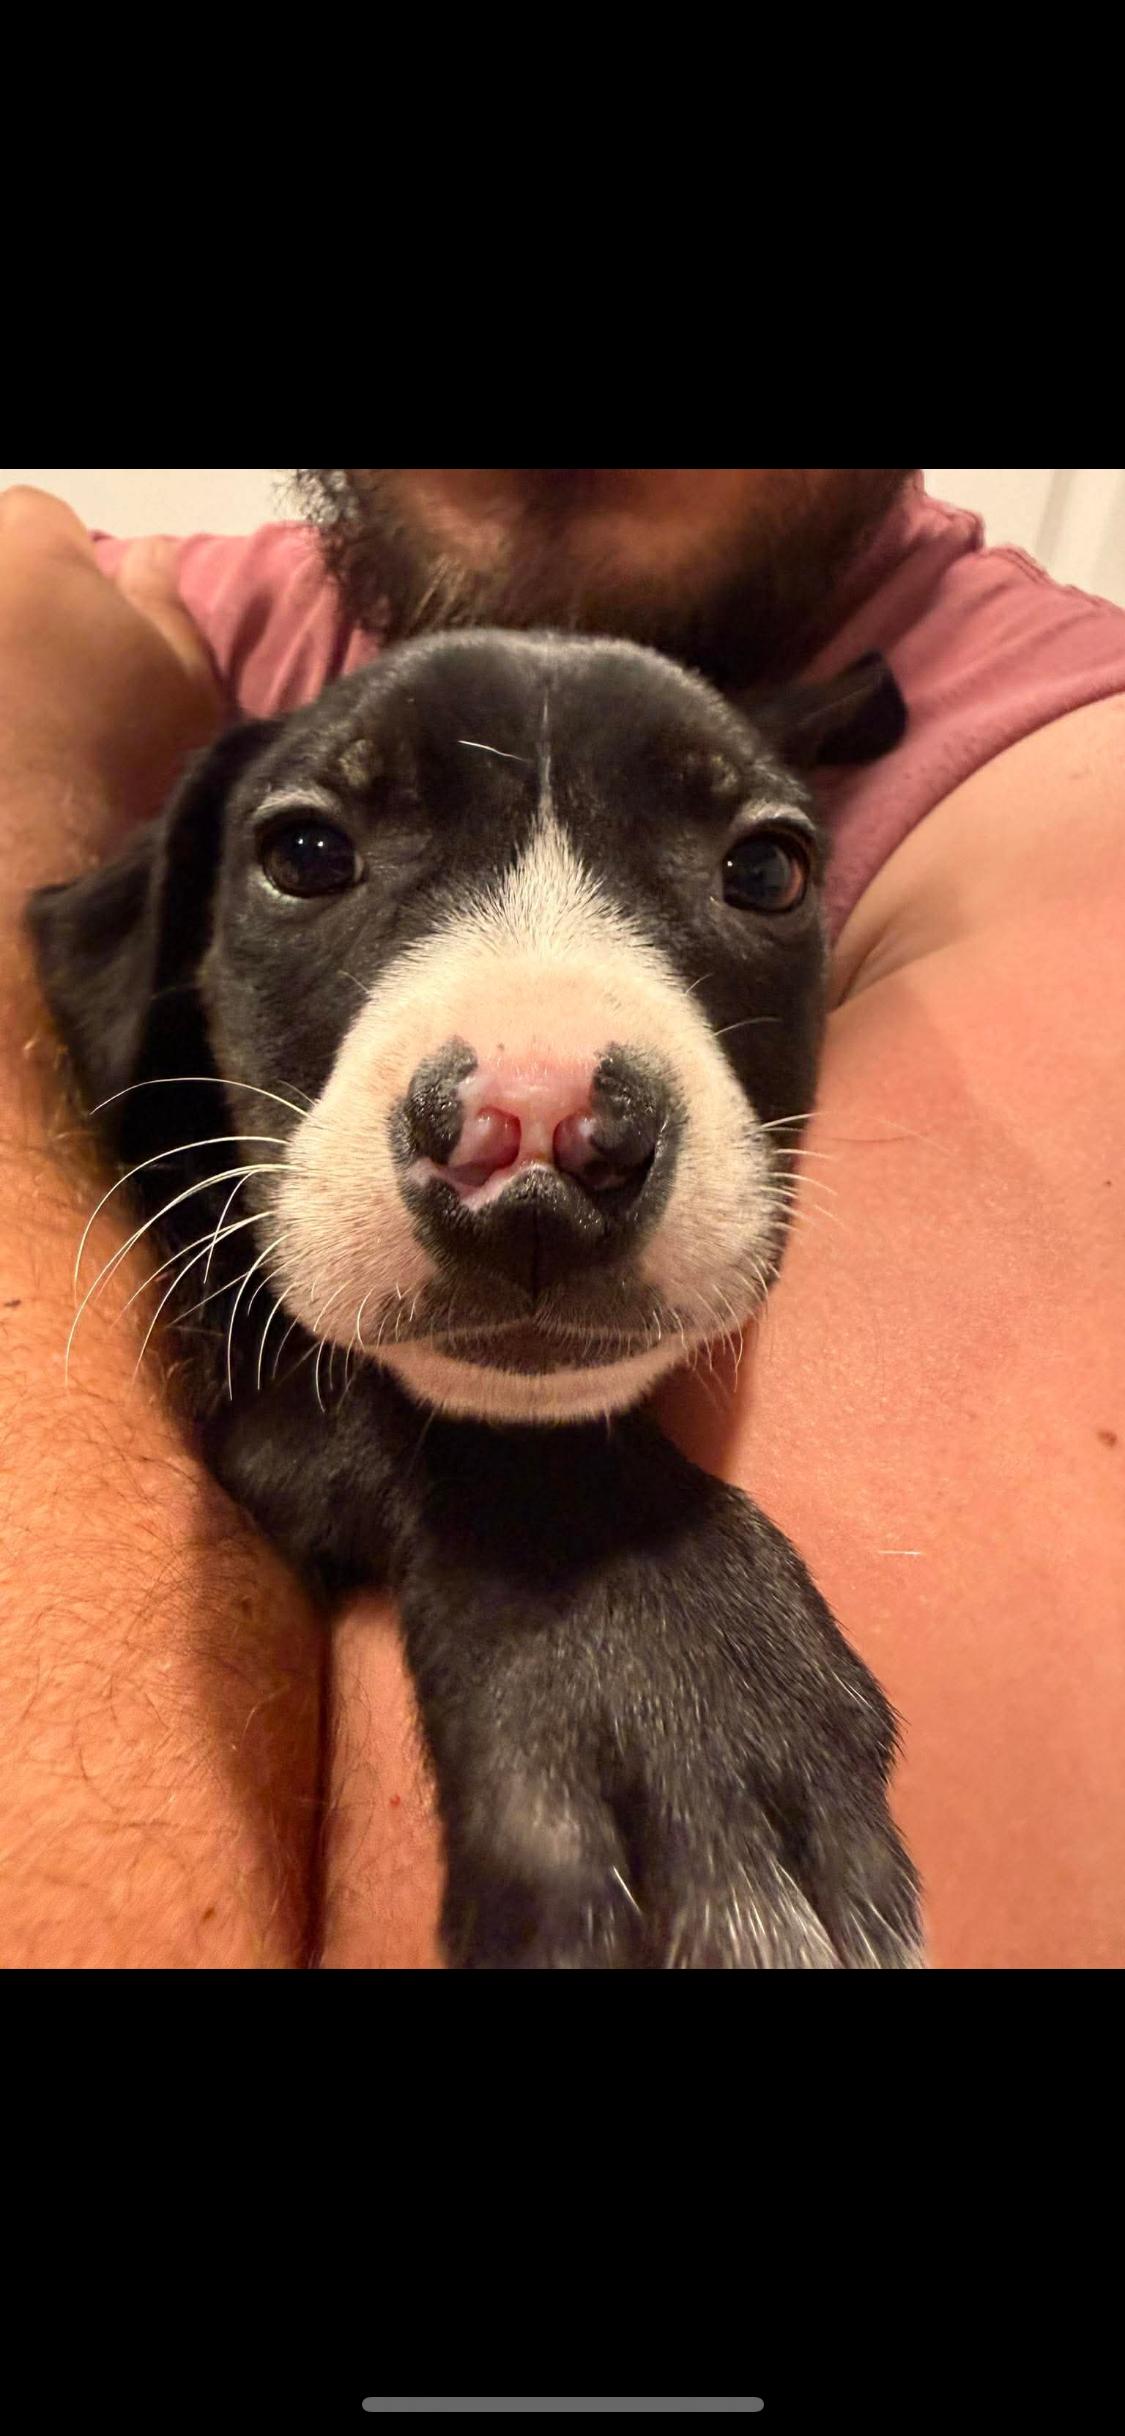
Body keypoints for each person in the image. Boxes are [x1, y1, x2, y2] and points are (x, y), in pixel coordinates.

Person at [2, 467, 1123, 1970]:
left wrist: (26, 789)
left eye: (758, 870)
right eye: (315, 852)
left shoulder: (1059, 767)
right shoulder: (88, 593)